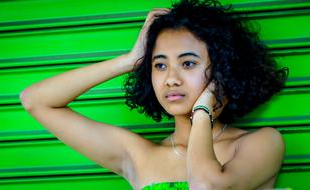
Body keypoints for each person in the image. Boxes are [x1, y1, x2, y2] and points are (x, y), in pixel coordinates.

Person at [20, 0, 289, 189]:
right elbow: (35, 101)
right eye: (159, 65)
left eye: (188, 63)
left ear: (222, 70)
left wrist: (203, 111)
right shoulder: (138, 155)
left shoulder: (261, 143)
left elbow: (206, 186)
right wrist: (130, 59)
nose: (171, 79)